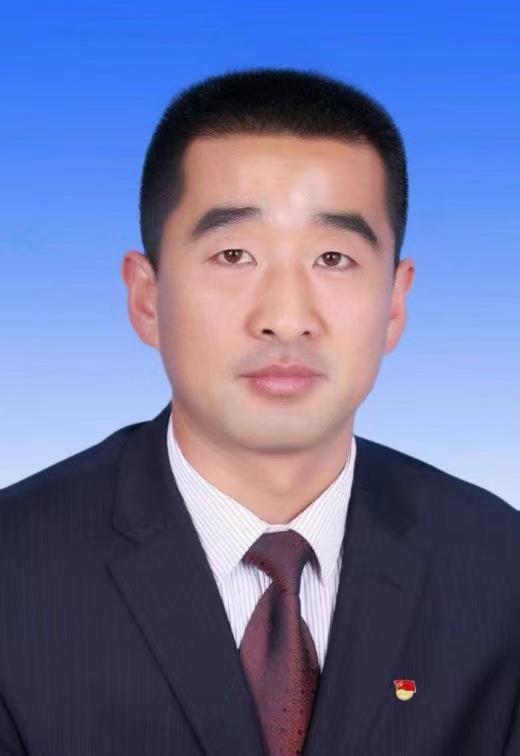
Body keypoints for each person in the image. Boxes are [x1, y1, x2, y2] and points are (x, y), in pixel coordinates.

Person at [0, 67, 518, 756]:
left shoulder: (497, 569)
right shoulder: (16, 574)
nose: (286, 317)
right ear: (147, 298)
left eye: (333, 258)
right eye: (234, 254)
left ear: (395, 304)